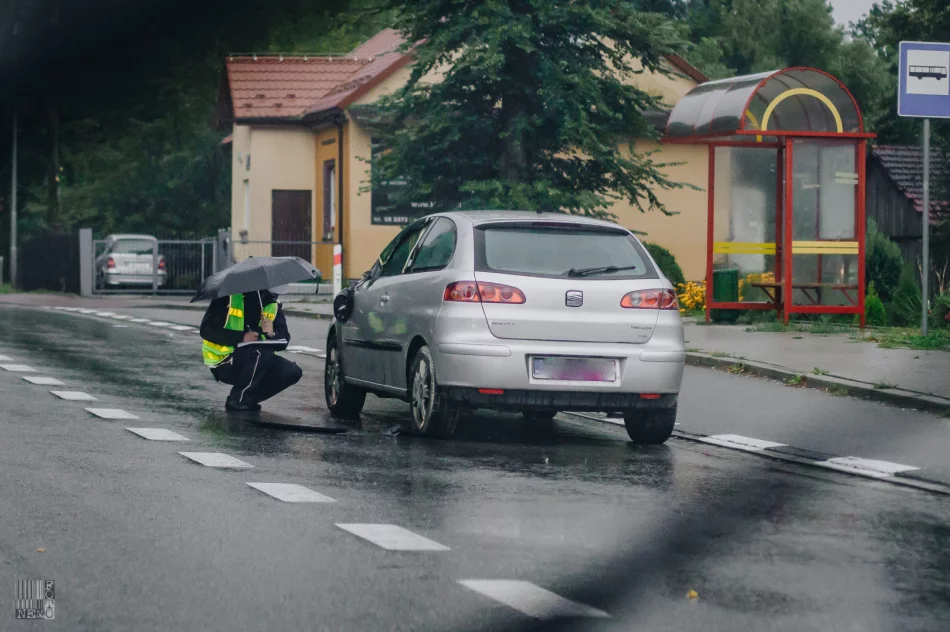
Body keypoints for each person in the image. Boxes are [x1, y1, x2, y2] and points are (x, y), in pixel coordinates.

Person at [199, 289, 302, 411]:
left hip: (259, 361)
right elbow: (206, 330)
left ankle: (249, 398)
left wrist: (272, 333)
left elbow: (284, 341)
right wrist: (241, 337)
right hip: (226, 361)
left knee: (292, 372)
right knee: (260, 352)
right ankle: (237, 399)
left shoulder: (272, 303)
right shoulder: (228, 297)